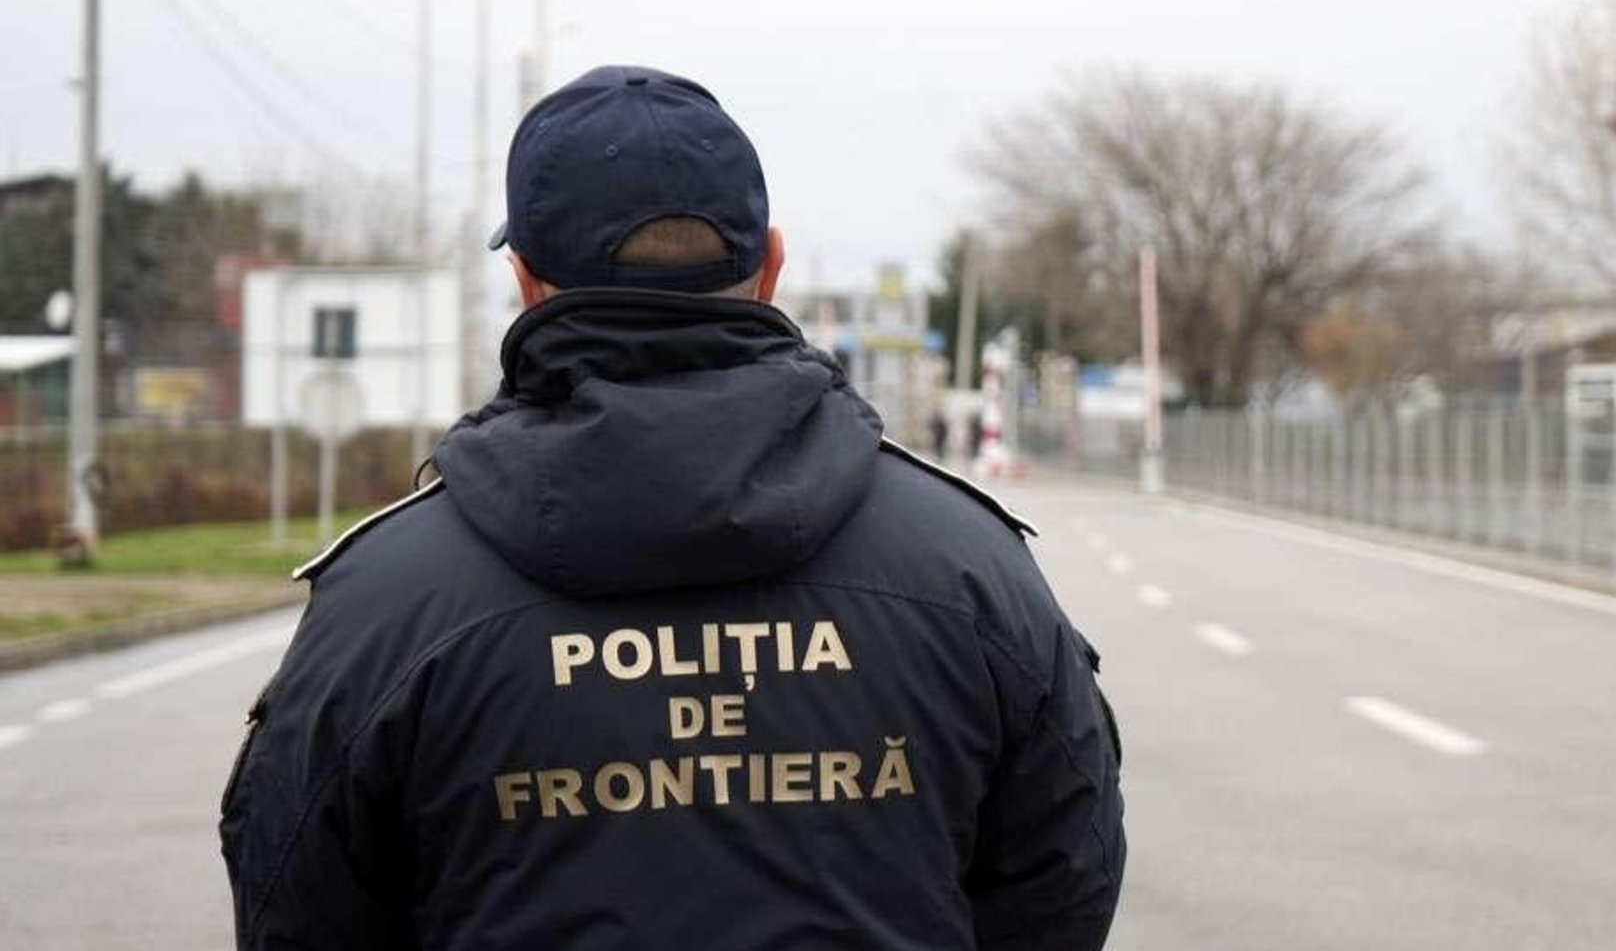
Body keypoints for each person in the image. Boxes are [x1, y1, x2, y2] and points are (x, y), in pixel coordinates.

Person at [219, 65, 1125, 950]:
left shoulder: (389, 599)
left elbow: (291, 899)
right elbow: (1065, 875)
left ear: (527, 281)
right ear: (770, 268)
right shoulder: (966, 567)